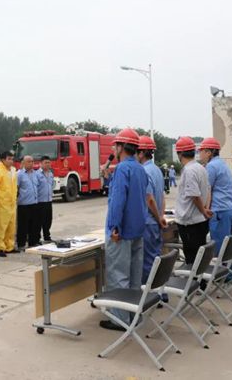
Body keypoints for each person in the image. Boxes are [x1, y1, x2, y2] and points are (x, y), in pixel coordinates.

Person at [102, 128, 149, 330]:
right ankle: (133, 315)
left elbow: (118, 201)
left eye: (115, 145)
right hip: (137, 230)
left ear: (121, 147)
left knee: (118, 276)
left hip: (121, 233)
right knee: (134, 277)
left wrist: (115, 226)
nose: (114, 148)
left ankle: (120, 320)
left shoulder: (122, 169)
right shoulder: (140, 169)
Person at [174, 137, 212, 264]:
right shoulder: (201, 168)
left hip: (190, 223)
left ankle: (194, 277)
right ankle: (199, 277)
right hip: (199, 220)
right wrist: (205, 209)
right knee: (199, 259)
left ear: (180, 154)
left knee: (192, 260)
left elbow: (194, 195)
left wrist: (203, 211)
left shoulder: (189, 171)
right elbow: (207, 190)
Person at [137, 136, 168, 284]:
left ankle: (152, 293)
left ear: (141, 153)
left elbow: (149, 199)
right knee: (156, 259)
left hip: (149, 222)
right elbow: (161, 196)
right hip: (155, 222)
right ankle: (160, 291)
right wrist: (161, 216)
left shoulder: (144, 171)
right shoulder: (157, 170)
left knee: (148, 263)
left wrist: (158, 217)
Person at [199, 138, 232, 253]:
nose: (199, 154)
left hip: (220, 210)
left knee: (219, 249)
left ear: (208, 152)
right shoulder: (222, 163)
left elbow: (207, 190)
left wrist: (204, 210)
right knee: (226, 245)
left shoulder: (211, 166)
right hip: (228, 208)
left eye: (201, 151)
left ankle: (223, 264)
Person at [0, 151, 18, 255]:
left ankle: (9, 246)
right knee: (0, 227)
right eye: (9, 159)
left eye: (12, 159)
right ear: (2, 160)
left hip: (11, 204)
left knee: (11, 227)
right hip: (1, 204)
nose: (11, 161)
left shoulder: (13, 171)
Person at [17, 155, 40, 248]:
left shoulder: (35, 173)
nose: (31, 163)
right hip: (23, 205)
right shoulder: (19, 174)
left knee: (34, 225)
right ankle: (21, 244)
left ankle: (33, 242)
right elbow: (16, 188)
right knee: (23, 226)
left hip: (34, 203)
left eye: (32, 161)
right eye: (29, 161)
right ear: (23, 163)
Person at [36, 155, 54, 243]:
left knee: (48, 220)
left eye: (49, 163)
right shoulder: (37, 174)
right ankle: (37, 238)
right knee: (39, 221)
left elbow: (51, 185)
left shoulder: (51, 174)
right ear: (41, 164)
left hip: (48, 201)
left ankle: (47, 237)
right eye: (45, 163)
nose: (47, 164)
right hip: (40, 202)